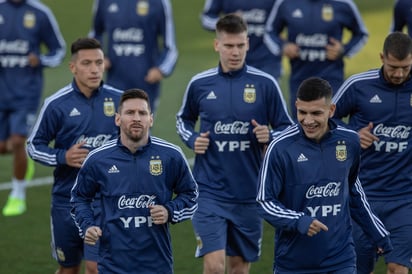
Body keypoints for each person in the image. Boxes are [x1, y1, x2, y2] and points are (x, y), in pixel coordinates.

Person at [176, 14, 293, 274]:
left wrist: (270, 136)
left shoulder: (265, 84)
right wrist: (192, 139)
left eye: (240, 45)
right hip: (209, 192)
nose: (235, 52)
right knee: (215, 267)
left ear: (248, 44)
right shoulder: (200, 84)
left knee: (238, 269)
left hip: (249, 195)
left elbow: (287, 128)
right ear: (217, 45)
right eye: (229, 46)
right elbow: (182, 120)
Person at [256, 76, 392, 273]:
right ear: (296, 105)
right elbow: (264, 201)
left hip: (341, 260)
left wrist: (378, 234)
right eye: (302, 112)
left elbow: (354, 193)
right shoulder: (280, 147)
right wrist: (299, 220)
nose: (308, 120)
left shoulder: (350, 142)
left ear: (331, 110)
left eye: (316, 113)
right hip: (293, 264)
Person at [71, 88, 198, 274]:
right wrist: (87, 225)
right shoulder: (98, 159)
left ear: (151, 119)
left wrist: (169, 211)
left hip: (157, 265)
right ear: (117, 119)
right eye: (130, 112)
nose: (136, 118)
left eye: (142, 113)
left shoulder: (171, 156)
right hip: (112, 266)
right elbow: (79, 198)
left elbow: (191, 195)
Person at [26, 37, 123, 274]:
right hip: (65, 201)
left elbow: (140, 143)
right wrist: (63, 157)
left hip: (105, 202)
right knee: (68, 268)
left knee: (96, 266)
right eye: (87, 63)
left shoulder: (120, 100)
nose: (94, 69)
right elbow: (33, 146)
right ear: (73, 67)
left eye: (99, 62)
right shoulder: (56, 104)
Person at [332, 31, 412, 274]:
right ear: (381, 58)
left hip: (405, 199)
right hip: (362, 198)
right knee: (357, 269)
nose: (399, 73)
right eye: (393, 67)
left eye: (406, 67)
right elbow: (324, 120)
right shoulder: (358, 85)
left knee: (398, 268)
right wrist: (352, 135)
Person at [0, 0, 66, 216]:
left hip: (26, 93)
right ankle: (24, 161)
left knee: (18, 140)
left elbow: (59, 49)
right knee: (4, 146)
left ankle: (18, 196)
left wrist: (42, 60)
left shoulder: (39, 13)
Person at [264, 0, 368, 117]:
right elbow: (269, 31)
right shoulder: (285, 3)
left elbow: (361, 34)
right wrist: (283, 47)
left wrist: (344, 49)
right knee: (302, 124)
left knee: (329, 123)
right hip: (299, 78)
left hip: (331, 78)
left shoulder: (344, 4)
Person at [88, 0, 178, 114]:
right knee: (111, 126)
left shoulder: (159, 3)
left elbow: (170, 46)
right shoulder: (103, 2)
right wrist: (99, 58)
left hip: (145, 81)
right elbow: (95, 33)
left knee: (139, 128)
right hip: (114, 80)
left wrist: (161, 69)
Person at [200, 0, 281, 79]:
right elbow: (206, 18)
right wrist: (227, 23)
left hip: (268, 58)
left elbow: (289, 14)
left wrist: (283, 45)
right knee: (234, 91)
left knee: (266, 89)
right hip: (233, 58)